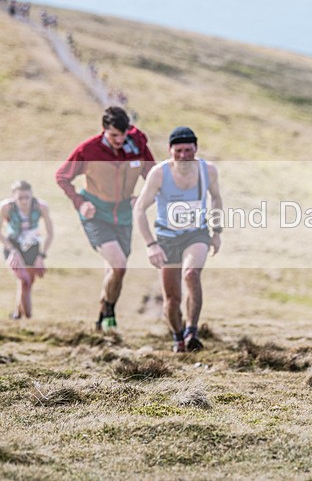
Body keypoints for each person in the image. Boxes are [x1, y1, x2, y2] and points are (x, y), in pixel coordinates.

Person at [55, 106, 155, 332]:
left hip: (124, 215)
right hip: (96, 214)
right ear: (104, 130)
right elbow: (62, 176)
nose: (119, 140)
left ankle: (103, 316)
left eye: (123, 134)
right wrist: (80, 203)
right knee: (118, 266)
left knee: (115, 270)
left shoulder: (137, 145)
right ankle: (109, 312)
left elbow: (154, 176)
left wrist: (142, 199)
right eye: (113, 135)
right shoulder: (88, 150)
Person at [133, 127, 223, 352]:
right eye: (178, 151)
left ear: (196, 148)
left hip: (197, 234)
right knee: (172, 300)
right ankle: (178, 336)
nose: (183, 156)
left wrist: (217, 232)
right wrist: (151, 245)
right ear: (170, 150)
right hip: (167, 238)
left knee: (191, 274)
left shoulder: (208, 170)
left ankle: (192, 329)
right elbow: (140, 210)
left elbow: (217, 198)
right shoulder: (159, 173)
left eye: (188, 150)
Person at [0, 181, 54, 319]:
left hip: (32, 246)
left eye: (27, 197)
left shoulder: (41, 207)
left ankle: (18, 315)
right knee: (24, 280)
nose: (24, 201)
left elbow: (50, 234)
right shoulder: (6, 207)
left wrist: (41, 257)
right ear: (13, 197)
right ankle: (29, 318)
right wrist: (12, 251)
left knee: (28, 283)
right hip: (13, 245)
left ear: (32, 196)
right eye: (20, 198)